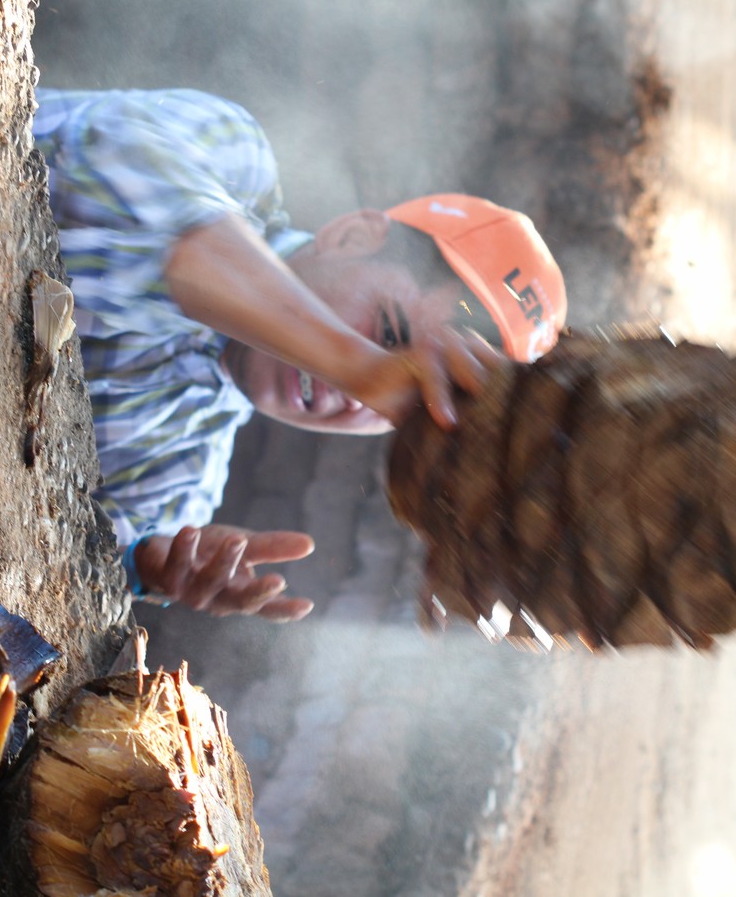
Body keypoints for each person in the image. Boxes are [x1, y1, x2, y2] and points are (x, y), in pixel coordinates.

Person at [33, 88, 566, 621]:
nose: (368, 395)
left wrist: (151, 563)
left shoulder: (185, 474)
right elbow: (161, 228)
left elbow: (70, 556)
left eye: (409, 403)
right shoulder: (231, 154)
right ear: (351, 236)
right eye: (388, 330)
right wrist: (357, 363)